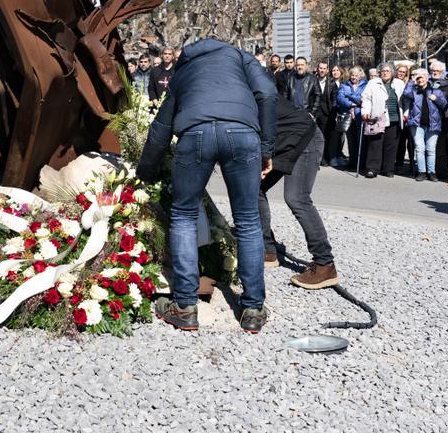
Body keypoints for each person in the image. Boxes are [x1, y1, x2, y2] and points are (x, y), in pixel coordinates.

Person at [139, 36, 274, 335]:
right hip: (242, 134)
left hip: (195, 133)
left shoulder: (184, 69)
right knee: (249, 220)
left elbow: (161, 128)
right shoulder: (240, 57)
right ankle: (253, 309)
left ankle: (185, 307)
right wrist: (266, 148)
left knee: (184, 215)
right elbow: (266, 92)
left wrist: (144, 173)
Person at [258, 95, 338, 289]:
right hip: (282, 142)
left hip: (305, 139)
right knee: (254, 189)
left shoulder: (248, 88)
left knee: (297, 198)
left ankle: (325, 264)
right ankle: (268, 250)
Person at [401, 68, 447, 182]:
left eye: (422, 77)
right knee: (419, 148)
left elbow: (445, 106)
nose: (420, 80)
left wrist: (437, 99)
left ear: (427, 78)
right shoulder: (414, 91)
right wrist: (412, 81)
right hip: (417, 124)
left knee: (431, 149)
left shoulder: (436, 91)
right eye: (418, 78)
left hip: (433, 124)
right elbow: (405, 93)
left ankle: (431, 172)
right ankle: (422, 171)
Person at [360, 63, 400, 179]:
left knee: (390, 145)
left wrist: (406, 113)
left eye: (387, 71)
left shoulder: (399, 83)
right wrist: (365, 111)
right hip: (377, 117)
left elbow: (404, 100)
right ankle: (372, 169)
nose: (385, 73)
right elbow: (366, 98)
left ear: (392, 72)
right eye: (383, 71)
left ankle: (388, 169)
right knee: (375, 143)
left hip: (394, 118)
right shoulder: (373, 83)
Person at [336, 66, 367, 171]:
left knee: (360, 140)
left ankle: (361, 163)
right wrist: (351, 103)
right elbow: (340, 98)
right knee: (351, 140)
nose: (353, 77)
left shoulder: (365, 85)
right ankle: (352, 162)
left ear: (360, 76)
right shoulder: (344, 85)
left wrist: (349, 95)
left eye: (356, 75)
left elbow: (363, 99)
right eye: (352, 75)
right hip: (348, 115)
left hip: (360, 115)